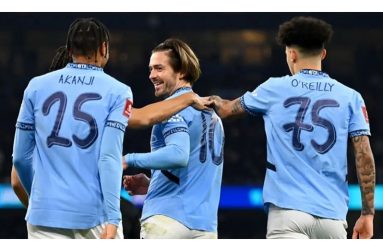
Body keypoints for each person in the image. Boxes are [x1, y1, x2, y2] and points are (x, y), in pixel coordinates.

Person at [11, 18, 211, 239]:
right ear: (104, 48)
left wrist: (40, 199)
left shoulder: (35, 87)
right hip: (92, 214)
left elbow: (19, 161)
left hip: (43, 215)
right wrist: (113, 217)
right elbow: (110, 155)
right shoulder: (116, 91)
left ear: (69, 50)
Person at [210, 16, 375, 239]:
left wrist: (193, 99)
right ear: (323, 54)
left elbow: (226, 110)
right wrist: (367, 214)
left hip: (287, 214)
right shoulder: (351, 97)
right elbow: (364, 156)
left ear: (291, 53)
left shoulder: (273, 88)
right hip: (332, 218)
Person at [123, 38, 225, 239]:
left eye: (159, 68)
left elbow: (178, 155)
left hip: (167, 220)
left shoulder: (172, 108)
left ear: (182, 72)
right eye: (150, 69)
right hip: (205, 227)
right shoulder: (212, 116)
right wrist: (154, 182)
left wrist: (128, 159)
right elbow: (192, 174)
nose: (152, 75)